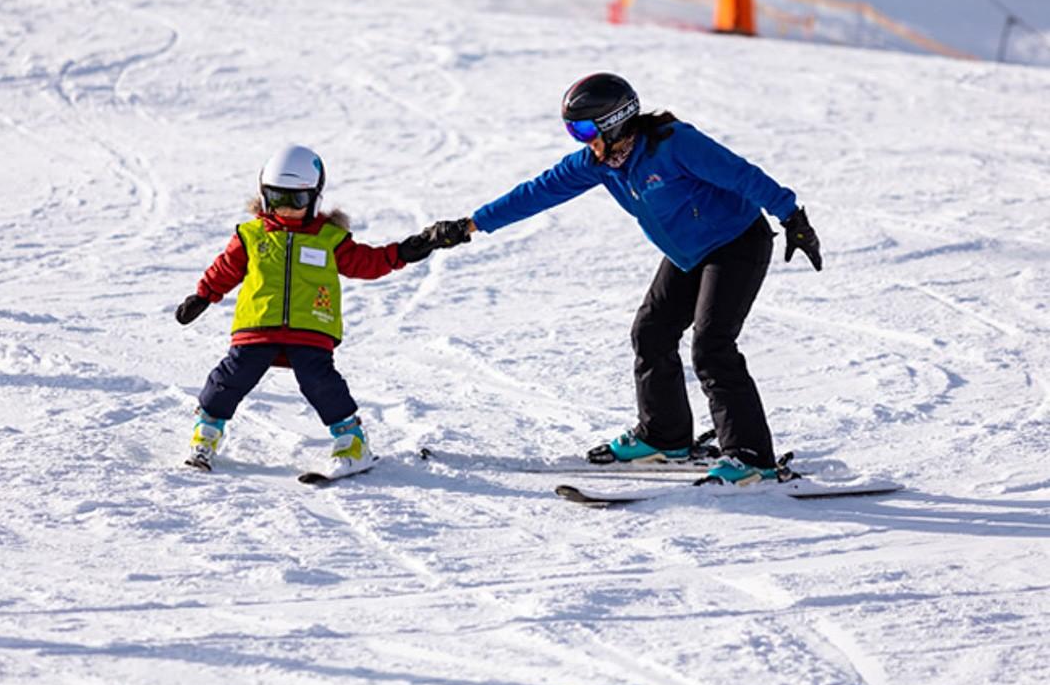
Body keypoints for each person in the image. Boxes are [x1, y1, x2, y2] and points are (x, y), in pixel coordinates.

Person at [436, 73, 822, 484]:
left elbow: (741, 174)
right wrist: (470, 225)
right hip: (688, 254)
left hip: (737, 244)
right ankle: (664, 437)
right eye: (573, 130)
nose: (582, 140)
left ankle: (751, 456)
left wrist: (792, 216)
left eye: (584, 129)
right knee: (651, 332)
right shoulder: (599, 164)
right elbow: (536, 192)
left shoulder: (674, 144)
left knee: (713, 347)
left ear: (615, 121)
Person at [174, 143, 464, 475]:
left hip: (311, 327)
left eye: (295, 200)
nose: (286, 207)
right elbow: (225, 268)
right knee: (230, 378)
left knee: (320, 382)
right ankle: (206, 433)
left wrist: (413, 248)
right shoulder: (251, 235)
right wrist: (203, 295)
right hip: (257, 325)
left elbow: (368, 263)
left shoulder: (329, 239)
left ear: (313, 198)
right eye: (277, 197)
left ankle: (352, 442)